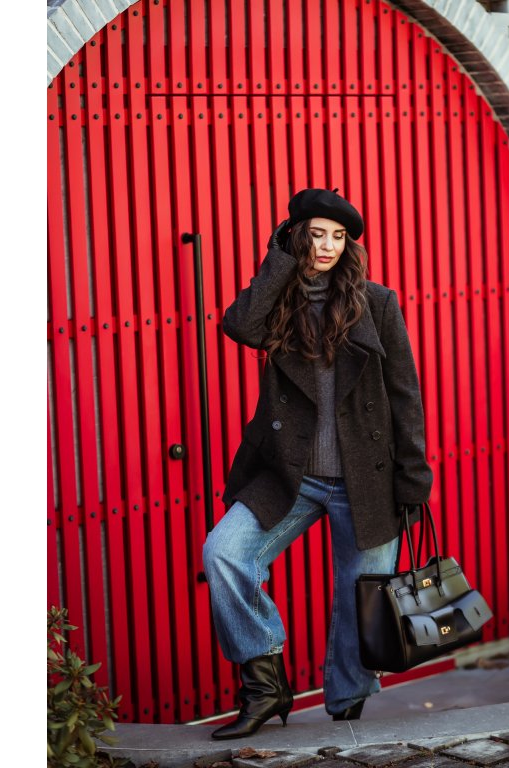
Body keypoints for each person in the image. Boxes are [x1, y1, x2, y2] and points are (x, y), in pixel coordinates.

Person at [202, 188, 433, 739]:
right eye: (316, 234)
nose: (328, 246)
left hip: (367, 479)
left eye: (338, 236)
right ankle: (265, 685)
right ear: (296, 237)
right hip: (291, 475)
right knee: (224, 553)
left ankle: (345, 722)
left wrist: (413, 478)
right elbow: (239, 326)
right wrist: (279, 261)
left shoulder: (375, 302)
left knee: (361, 603)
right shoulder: (278, 302)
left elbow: (405, 395)